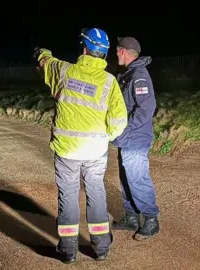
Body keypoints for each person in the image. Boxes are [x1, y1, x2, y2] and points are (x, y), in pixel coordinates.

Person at [34, 28, 128, 263]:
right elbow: (119, 121)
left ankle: (67, 250)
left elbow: (46, 62)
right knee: (96, 192)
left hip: (67, 150)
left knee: (68, 195)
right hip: (96, 150)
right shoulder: (109, 82)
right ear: (104, 54)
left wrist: (41, 52)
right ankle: (101, 247)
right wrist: (105, 136)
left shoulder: (64, 71)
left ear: (84, 49)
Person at [111, 37, 160, 240]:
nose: (115, 54)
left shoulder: (138, 75)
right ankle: (131, 217)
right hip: (127, 139)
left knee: (137, 179)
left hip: (135, 139)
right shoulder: (129, 74)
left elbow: (147, 108)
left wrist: (124, 127)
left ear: (124, 51)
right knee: (126, 178)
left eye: (117, 50)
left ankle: (151, 220)